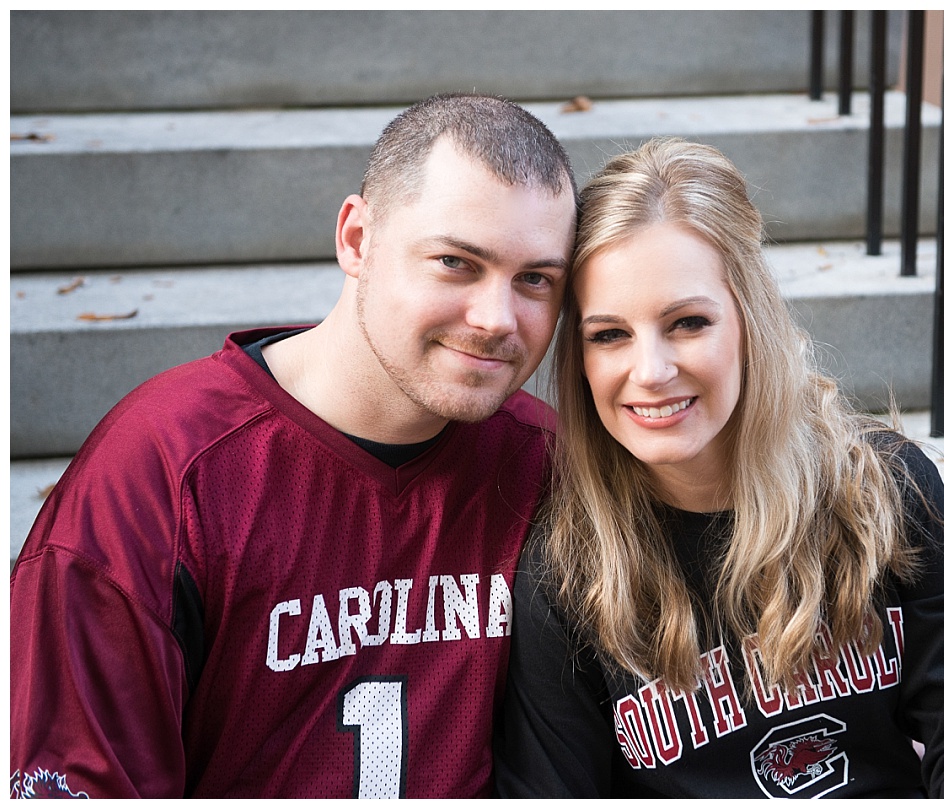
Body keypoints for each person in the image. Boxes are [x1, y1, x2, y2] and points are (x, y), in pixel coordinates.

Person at [10, 93, 577, 799]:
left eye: (535, 279)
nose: (497, 319)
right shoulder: (163, 471)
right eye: (456, 262)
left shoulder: (545, 465)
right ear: (357, 239)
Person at [494, 138, 944, 798]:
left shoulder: (883, 493)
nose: (649, 372)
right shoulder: (567, 574)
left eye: (686, 322)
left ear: (749, 320)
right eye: (609, 334)